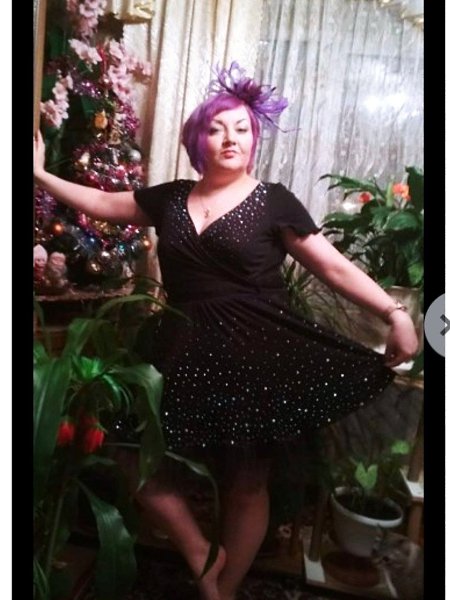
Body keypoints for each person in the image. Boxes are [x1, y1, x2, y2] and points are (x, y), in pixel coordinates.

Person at [34, 62, 419, 600]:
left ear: (254, 140)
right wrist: (41, 175)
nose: (230, 138)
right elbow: (105, 204)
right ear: (199, 140)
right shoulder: (169, 198)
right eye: (217, 129)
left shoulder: (273, 200)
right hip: (179, 351)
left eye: (242, 128)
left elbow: (331, 267)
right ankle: (201, 552)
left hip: (257, 357)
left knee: (246, 483)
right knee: (125, 445)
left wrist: (395, 313)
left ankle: (223, 591)